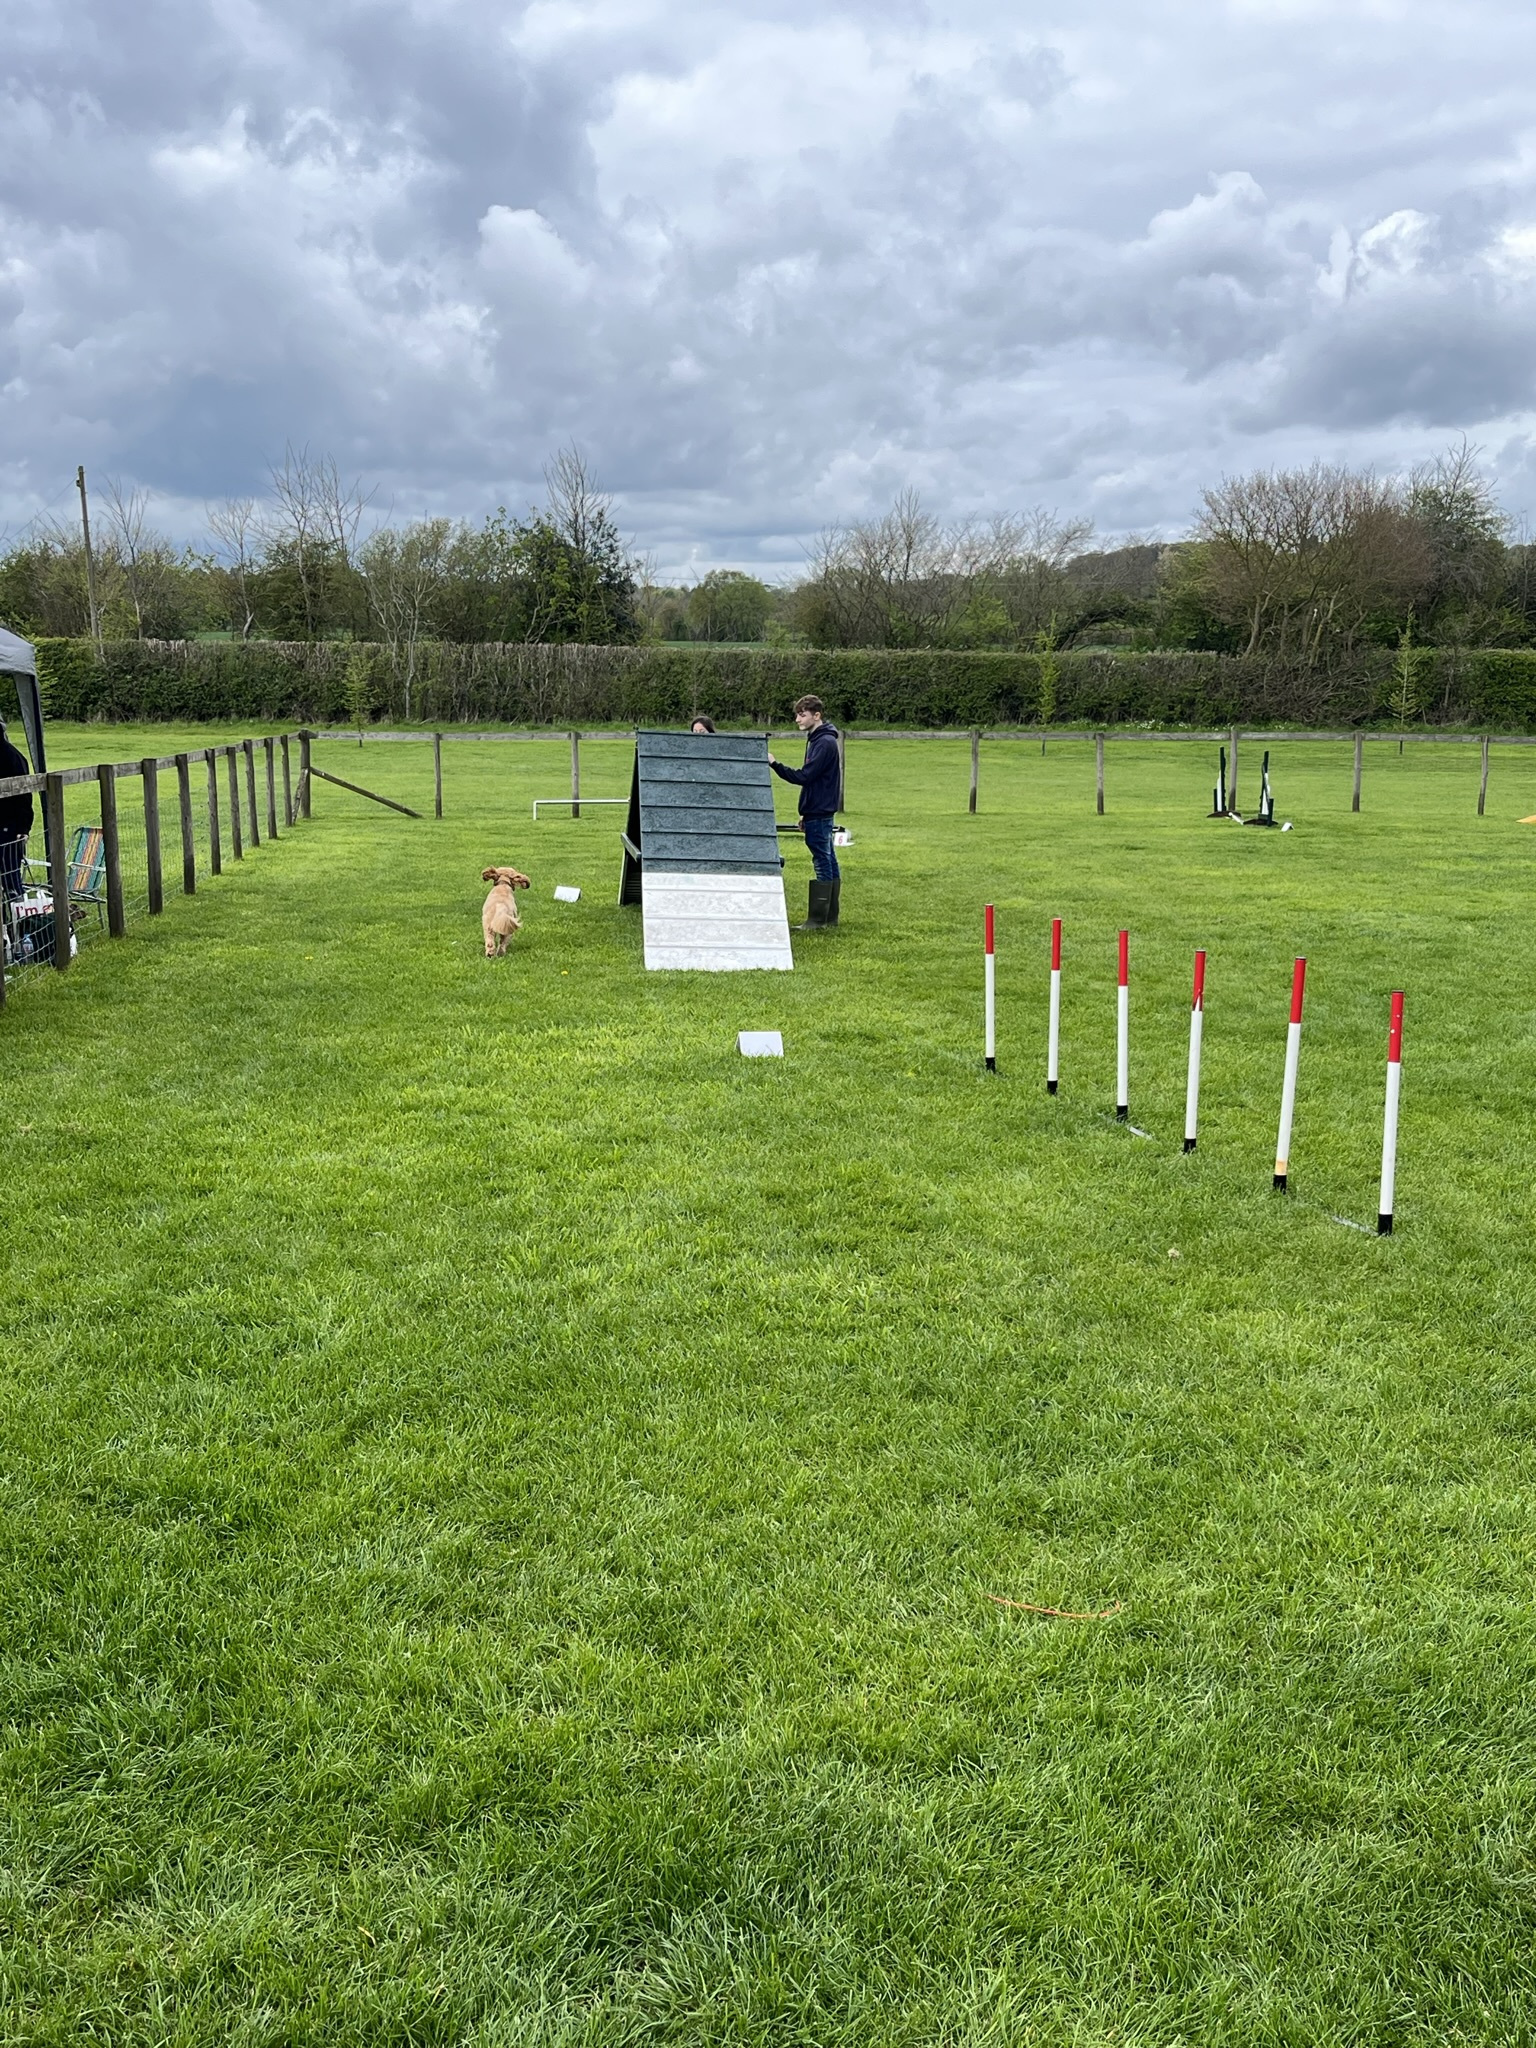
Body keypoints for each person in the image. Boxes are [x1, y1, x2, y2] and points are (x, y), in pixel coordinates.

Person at [769, 694, 842, 928]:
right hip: (817, 810)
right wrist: (805, 811)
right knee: (828, 857)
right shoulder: (818, 739)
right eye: (797, 714)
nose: (797, 719)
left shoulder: (824, 743)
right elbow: (815, 781)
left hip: (820, 811)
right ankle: (829, 917)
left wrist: (774, 764)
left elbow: (805, 776)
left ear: (816, 715)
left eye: (802, 714)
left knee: (822, 860)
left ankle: (819, 919)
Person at [0, 714, 33, 906]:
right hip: (9, 823)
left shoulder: (11, 756)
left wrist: (23, 826)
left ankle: (19, 921)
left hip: (9, 825)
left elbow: (24, 793)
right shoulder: (13, 755)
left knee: (10, 875)